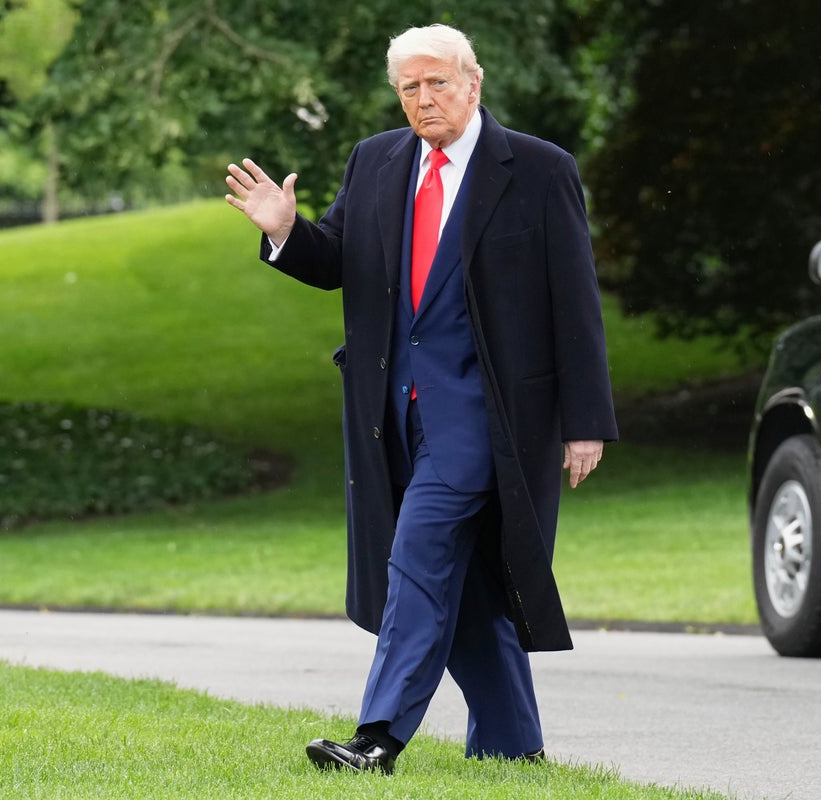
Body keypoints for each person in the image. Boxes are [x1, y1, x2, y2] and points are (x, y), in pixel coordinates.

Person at [224, 23, 617, 774]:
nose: (425, 97)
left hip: (484, 417)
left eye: (439, 81)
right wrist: (286, 232)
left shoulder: (539, 169)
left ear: (473, 82)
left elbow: (575, 300)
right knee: (468, 584)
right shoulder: (375, 160)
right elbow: (338, 261)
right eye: (410, 87)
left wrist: (586, 421)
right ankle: (512, 745)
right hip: (388, 416)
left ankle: (377, 737)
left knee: (418, 556)